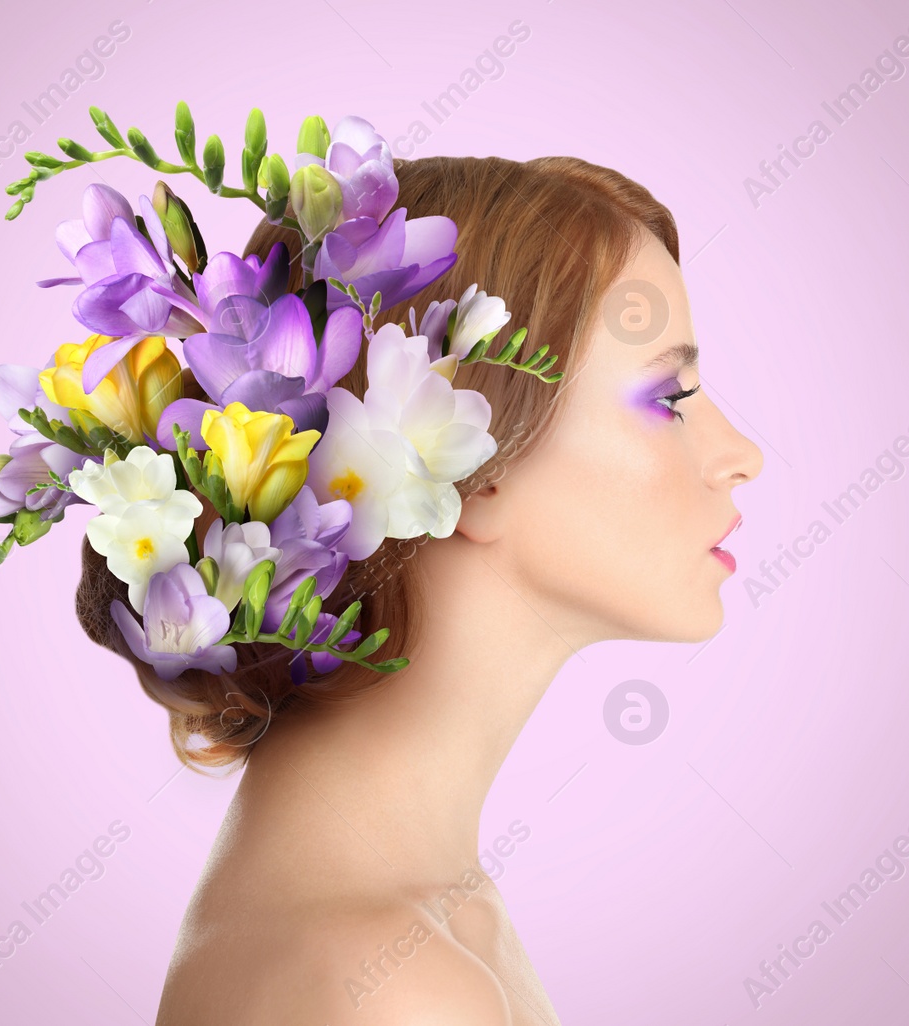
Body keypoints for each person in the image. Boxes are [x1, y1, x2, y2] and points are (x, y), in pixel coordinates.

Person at [73, 153, 763, 1024]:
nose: (743, 456)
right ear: (467, 457)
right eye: (672, 395)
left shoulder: (429, 920)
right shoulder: (386, 981)